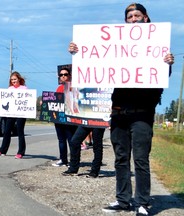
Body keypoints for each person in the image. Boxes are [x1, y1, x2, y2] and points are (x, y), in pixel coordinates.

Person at [68, 3, 174, 216]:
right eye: (129, 16)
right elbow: (94, 62)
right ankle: (123, 199)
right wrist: (78, 52)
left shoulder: (157, 44)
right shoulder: (116, 45)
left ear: (145, 18)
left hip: (142, 112)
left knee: (141, 159)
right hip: (118, 111)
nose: (133, 19)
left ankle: (142, 202)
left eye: (137, 15)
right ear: (126, 21)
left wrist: (167, 63)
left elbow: (161, 75)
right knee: (121, 158)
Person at [0, 71, 28, 159]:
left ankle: (21, 152)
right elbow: (4, 97)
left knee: (20, 132)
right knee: (7, 131)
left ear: (19, 79)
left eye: (15, 79)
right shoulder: (10, 89)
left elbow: (28, 99)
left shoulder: (24, 88)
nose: (13, 81)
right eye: (12, 79)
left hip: (21, 113)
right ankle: (2, 150)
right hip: (10, 113)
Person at [52, 68, 77, 166]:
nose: (63, 76)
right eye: (61, 75)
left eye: (65, 74)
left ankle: (73, 160)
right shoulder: (58, 88)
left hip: (69, 117)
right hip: (59, 118)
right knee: (61, 140)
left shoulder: (73, 87)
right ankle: (63, 159)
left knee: (71, 139)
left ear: (69, 75)